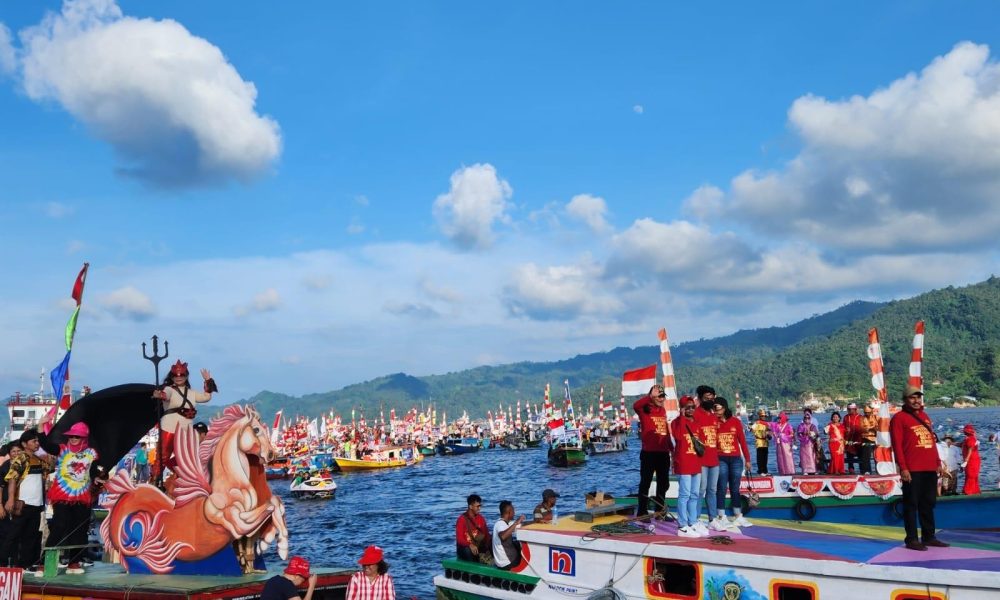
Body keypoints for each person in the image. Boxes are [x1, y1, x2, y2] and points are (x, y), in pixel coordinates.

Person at [38, 420, 105, 574]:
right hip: (62, 495)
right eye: (72, 436)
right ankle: (44, 563)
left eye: (77, 436)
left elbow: (95, 470)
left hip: (82, 496)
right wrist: (41, 427)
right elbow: (46, 445)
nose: (74, 438)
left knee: (79, 530)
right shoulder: (62, 449)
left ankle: (74, 563)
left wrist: (97, 478)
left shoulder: (91, 454)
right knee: (59, 527)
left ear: (84, 438)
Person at [890, 385, 949, 551]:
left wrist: (937, 462)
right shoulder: (899, 418)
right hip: (912, 469)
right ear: (905, 400)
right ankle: (912, 539)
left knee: (928, 503)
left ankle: (929, 536)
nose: (916, 400)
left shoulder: (925, 416)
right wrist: (903, 468)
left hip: (929, 467)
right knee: (911, 504)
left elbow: (931, 441)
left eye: (918, 397)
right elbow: (897, 445)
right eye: (912, 397)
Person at [152, 360, 216, 474]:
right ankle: (155, 480)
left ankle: (181, 477)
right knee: (163, 456)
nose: (179, 377)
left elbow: (206, 397)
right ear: (172, 377)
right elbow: (166, 395)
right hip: (169, 428)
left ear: (186, 376)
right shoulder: (169, 389)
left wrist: (207, 380)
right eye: (175, 375)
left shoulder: (191, 392)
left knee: (186, 457)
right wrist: (160, 395)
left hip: (186, 430)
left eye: (182, 375)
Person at [2, 429, 51, 572]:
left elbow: (50, 469)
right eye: (34, 441)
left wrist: (50, 457)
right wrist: (11, 499)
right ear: (25, 444)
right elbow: (12, 479)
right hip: (23, 503)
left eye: (37, 441)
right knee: (14, 534)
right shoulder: (21, 459)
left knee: (30, 535)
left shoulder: (38, 459)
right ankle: (3, 562)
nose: (37, 443)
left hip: (37, 504)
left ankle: (24, 564)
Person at [633, 384, 673, 517]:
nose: (661, 399)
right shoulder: (644, 409)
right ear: (652, 396)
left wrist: (672, 450)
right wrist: (650, 396)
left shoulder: (663, 411)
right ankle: (642, 511)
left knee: (664, 483)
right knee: (645, 482)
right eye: (659, 396)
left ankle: (659, 511)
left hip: (663, 453)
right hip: (649, 453)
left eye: (663, 396)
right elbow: (635, 405)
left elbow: (665, 432)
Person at [714, 397, 752, 528]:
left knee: (735, 489)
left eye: (717, 408)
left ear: (724, 408)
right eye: (714, 409)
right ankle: (721, 516)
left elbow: (743, 442)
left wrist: (747, 459)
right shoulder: (713, 422)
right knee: (721, 488)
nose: (716, 411)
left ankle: (738, 516)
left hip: (736, 459)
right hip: (720, 459)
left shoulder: (735, 422)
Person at [671, 396, 704, 537]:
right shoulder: (676, 422)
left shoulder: (697, 423)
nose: (691, 410)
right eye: (687, 407)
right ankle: (682, 526)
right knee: (684, 495)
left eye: (692, 407)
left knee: (695, 494)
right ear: (682, 408)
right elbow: (678, 436)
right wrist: (682, 416)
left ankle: (693, 521)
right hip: (683, 463)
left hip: (696, 463)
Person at [693, 385, 719, 528]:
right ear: (701, 398)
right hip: (701, 460)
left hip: (714, 459)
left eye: (712, 397)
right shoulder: (696, 414)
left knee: (712, 490)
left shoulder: (714, 415)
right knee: (700, 490)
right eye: (706, 397)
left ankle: (712, 519)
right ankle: (696, 519)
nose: (709, 399)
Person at [0, 442, 23, 567]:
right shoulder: (5, 466)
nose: (16, 454)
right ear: (9, 454)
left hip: (21, 505)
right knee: (5, 534)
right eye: (13, 451)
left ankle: (15, 563)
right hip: (5, 505)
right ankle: (3, 563)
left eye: (19, 451)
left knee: (16, 535)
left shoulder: (26, 465)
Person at [492, 500, 525, 570]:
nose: (514, 513)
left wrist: (536, 521)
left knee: (517, 544)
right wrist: (516, 523)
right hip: (506, 562)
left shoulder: (507, 523)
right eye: (513, 511)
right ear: (509, 512)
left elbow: (522, 525)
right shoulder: (500, 524)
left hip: (505, 561)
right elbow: (503, 536)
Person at [455, 493, 489, 562]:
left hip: (477, 546)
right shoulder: (461, 519)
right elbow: (459, 539)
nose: (480, 508)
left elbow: (486, 535)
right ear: (470, 506)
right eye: (477, 506)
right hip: (465, 549)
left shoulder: (481, 518)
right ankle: (472, 571)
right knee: (468, 550)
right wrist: (469, 545)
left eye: (480, 506)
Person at [796, 409, 819, 475]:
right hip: (803, 443)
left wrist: (813, 435)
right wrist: (804, 434)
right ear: (803, 419)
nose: (807, 419)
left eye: (808, 418)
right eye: (805, 418)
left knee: (811, 456)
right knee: (804, 457)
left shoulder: (813, 426)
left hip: (811, 442)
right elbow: (798, 433)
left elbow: (816, 434)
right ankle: (805, 470)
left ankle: (813, 470)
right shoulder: (801, 425)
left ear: (810, 418)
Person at [960, 424, 981, 495]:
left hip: (972, 460)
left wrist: (966, 460)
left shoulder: (971, 439)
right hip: (971, 459)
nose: (964, 432)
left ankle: (969, 491)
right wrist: (951, 443)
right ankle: (972, 490)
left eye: (965, 431)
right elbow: (961, 444)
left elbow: (970, 449)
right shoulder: (967, 439)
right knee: (969, 474)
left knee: (971, 474)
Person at [750, 409, 772, 475]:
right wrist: (752, 427)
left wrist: (769, 436)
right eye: (762, 416)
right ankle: (760, 471)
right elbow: (751, 429)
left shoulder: (767, 424)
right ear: (760, 416)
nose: (764, 417)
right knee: (760, 457)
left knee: (765, 457)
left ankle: (765, 471)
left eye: (764, 416)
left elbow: (770, 433)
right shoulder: (757, 423)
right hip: (759, 442)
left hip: (765, 442)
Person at [860, 405, 879, 475]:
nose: (867, 414)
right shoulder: (862, 418)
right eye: (865, 412)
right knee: (866, 456)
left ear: (871, 412)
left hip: (876, 439)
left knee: (877, 455)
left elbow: (879, 426)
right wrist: (871, 428)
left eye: (868, 412)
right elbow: (861, 428)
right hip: (866, 439)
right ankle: (867, 470)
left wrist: (876, 428)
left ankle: (879, 469)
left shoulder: (876, 417)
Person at [844, 403, 863, 474]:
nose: (848, 410)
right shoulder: (846, 417)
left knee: (860, 456)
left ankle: (862, 469)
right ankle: (851, 469)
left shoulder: (860, 417)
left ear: (855, 409)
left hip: (858, 439)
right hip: (849, 439)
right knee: (849, 456)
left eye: (850, 409)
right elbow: (843, 427)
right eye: (848, 409)